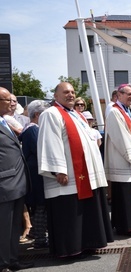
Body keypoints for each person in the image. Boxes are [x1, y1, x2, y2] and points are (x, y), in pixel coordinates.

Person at [38, 82, 113, 257]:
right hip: (69, 175)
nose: (70, 95)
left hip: (87, 174)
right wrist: (58, 170)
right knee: (70, 214)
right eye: (65, 92)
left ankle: (86, 244)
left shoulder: (76, 115)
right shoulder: (51, 114)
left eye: (72, 92)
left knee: (86, 212)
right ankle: (70, 249)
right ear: (56, 96)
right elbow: (50, 142)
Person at [104, 84, 131, 236]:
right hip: (123, 159)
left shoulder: (126, 110)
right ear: (119, 95)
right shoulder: (115, 111)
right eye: (128, 94)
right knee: (124, 195)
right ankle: (125, 226)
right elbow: (121, 137)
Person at [0, 86, 31, 272]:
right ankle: (2, 264)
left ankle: (12, 259)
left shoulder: (5, 122)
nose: (12, 103)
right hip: (4, 183)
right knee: (4, 226)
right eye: (6, 100)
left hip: (16, 183)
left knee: (13, 227)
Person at [19, 100, 50, 249]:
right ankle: (40, 239)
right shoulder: (33, 130)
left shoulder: (30, 129)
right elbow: (40, 150)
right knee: (40, 206)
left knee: (40, 206)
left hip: (35, 172)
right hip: (36, 174)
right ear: (37, 115)